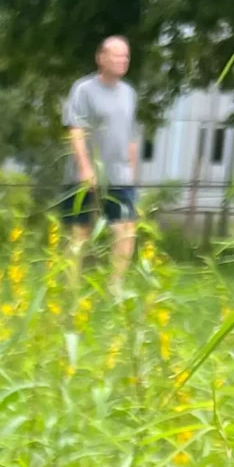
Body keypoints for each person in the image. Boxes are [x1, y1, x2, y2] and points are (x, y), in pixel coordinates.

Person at [63, 35, 140, 286]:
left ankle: (115, 287)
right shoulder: (83, 89)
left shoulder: (129, 93)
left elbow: (130, 135)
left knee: (126, 230)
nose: (122, 60)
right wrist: (86, 169)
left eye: (126, 56)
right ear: (101, 58)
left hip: (120, 177)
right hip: (85, 176)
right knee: (80, 234)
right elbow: (76, 130)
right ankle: (70, 290)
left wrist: (134, 173)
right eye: (117, 55)